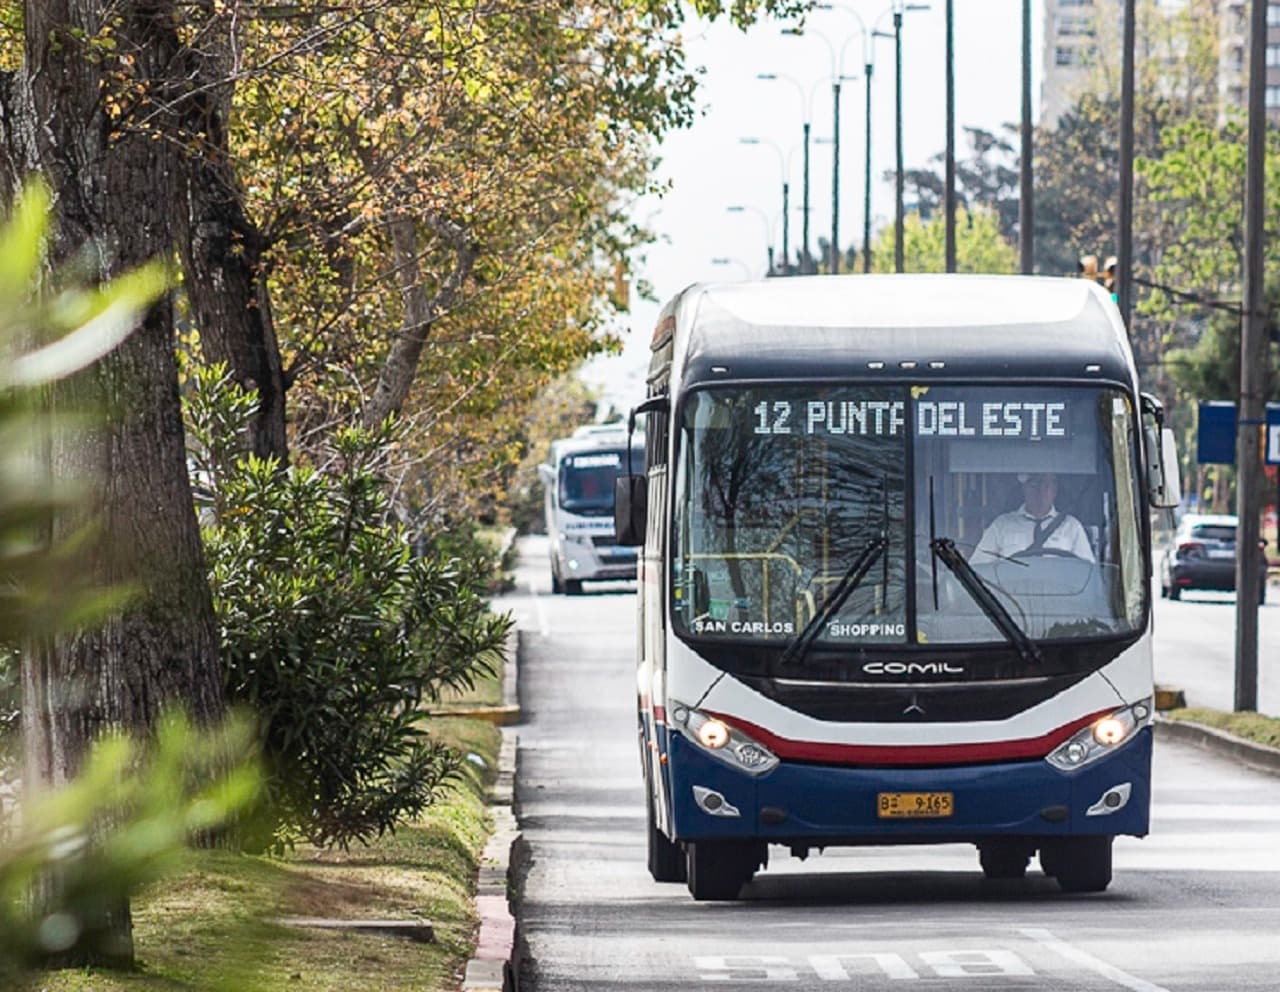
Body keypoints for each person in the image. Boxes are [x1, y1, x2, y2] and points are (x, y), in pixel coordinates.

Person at [971, 472, 1094, 564]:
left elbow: (1087, 572)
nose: (1041, 490)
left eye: (1047, 484)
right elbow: (979, 568)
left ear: (1055, 490)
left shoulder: (1072, 527)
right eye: (1035, 484)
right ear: (1024, 488)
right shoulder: (1001, 525)